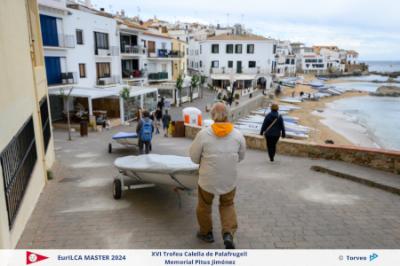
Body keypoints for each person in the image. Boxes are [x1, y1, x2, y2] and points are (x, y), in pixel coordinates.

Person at [189, 102, 246, 249]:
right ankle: (228, 233)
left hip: (207, 180)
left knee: (204, 206)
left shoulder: (203, 134)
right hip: (229, 180)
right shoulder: (238, 135)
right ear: (227, 115)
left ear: (213, 116)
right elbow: (241, 157)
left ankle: (206, 233)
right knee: (227, 204)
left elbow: (194, 158)